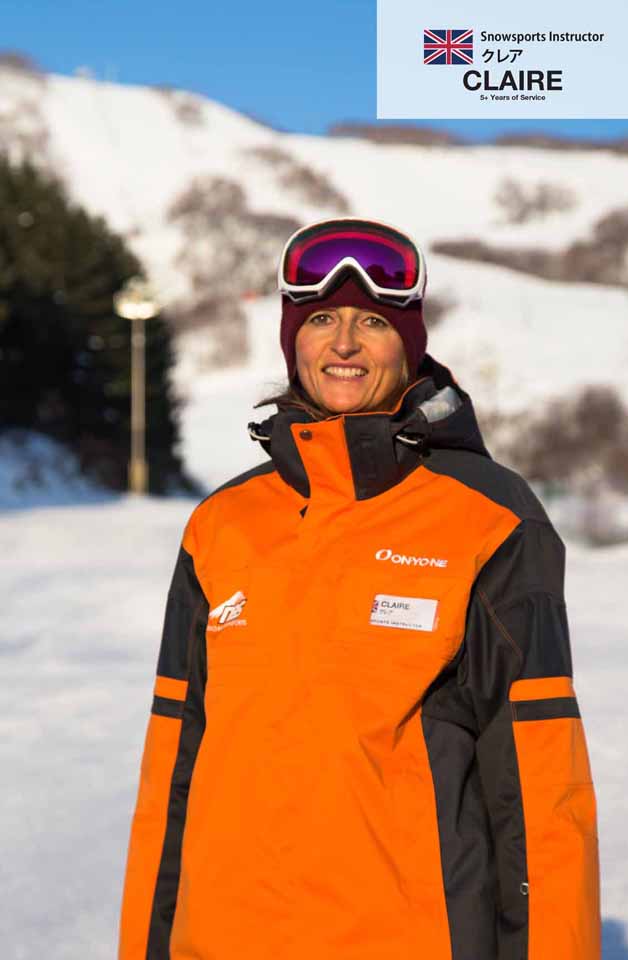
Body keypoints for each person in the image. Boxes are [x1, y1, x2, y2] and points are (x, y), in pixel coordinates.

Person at [118, 217, 600, 960]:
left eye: (373, 322)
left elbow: (541, 789)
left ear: (409, 343)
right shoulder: (221, 524)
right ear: (293, 341)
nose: (344, 344)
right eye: (321, 321)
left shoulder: (490, 518)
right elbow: (170, 775)